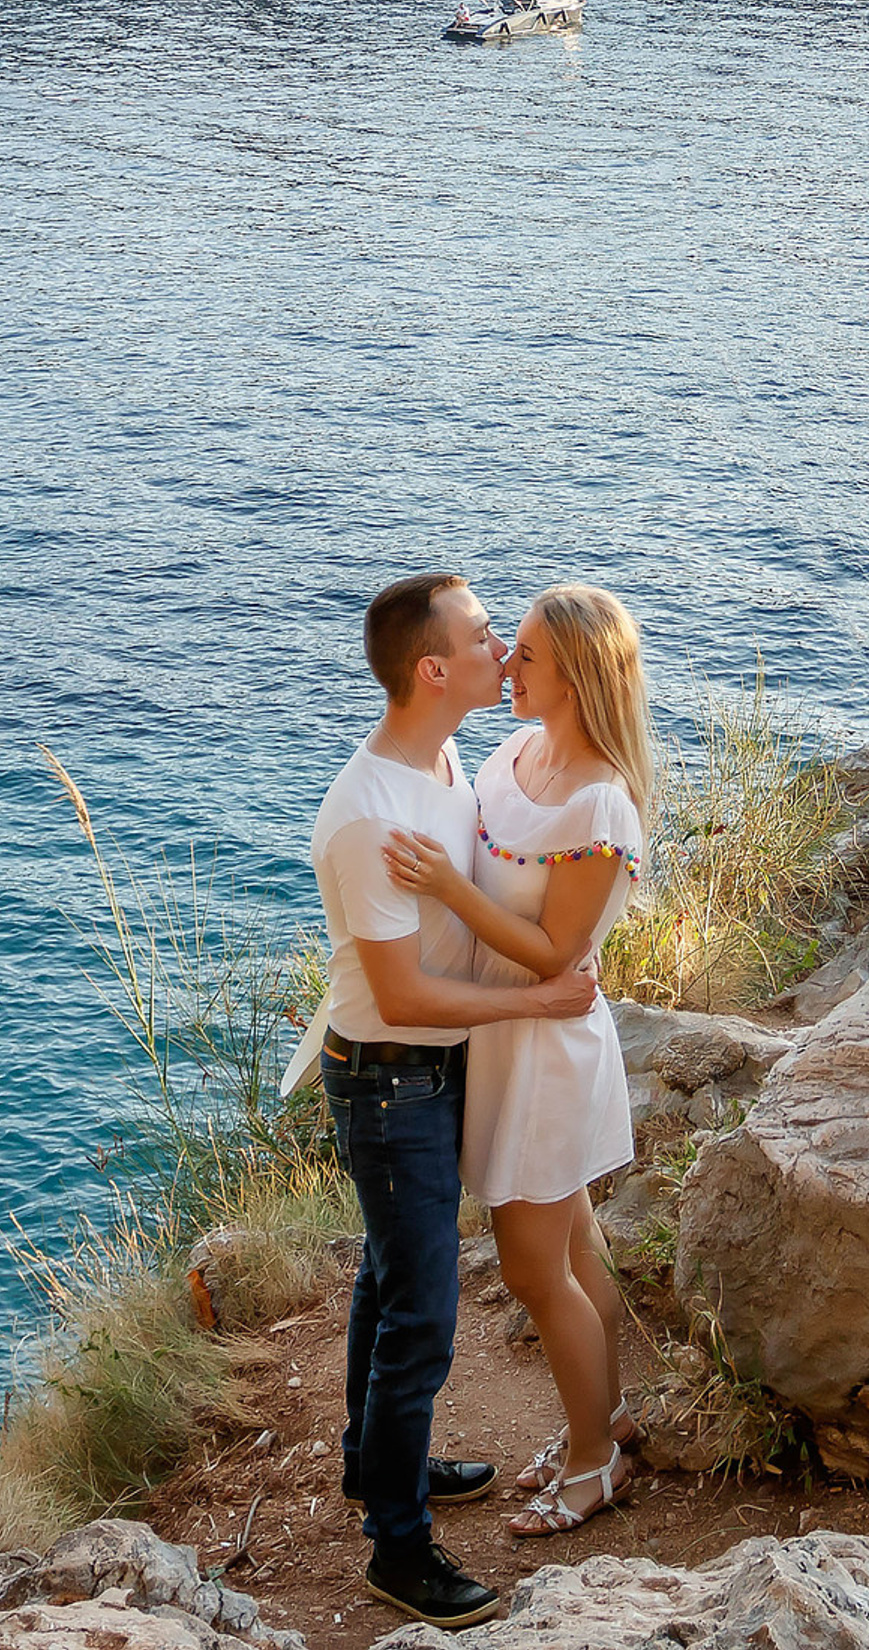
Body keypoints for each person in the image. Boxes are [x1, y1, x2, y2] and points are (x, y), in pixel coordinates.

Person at [281, 571, 598, 1632]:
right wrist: (545, 997)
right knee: (421, 1312)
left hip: (426, 1069)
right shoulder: (370, 813)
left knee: (388, 1275)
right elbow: (407, 992)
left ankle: (376, 1467)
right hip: (390, 1077)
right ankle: (398, 1549)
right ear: (433, 669)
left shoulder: (448, 755)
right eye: (479, 635)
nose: (499, 645)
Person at [383, 582, 651, 1538]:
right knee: (577, 1246)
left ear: (574, 674)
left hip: (543, 1047)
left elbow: (557, 955)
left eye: (525, 654)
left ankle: (591, 1466)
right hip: (503, 1038)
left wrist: (449, 889)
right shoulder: (516, 750)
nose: (506, 663)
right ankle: (608, 1420)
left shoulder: (599, 807)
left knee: (539, 1274)